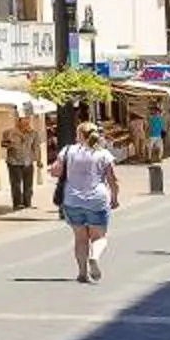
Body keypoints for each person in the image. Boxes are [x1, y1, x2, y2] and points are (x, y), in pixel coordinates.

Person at [48, 119, 120, 283]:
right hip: (97, 199)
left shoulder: (68, 151)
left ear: (79, 135)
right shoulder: (103, 154)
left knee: (80, 238)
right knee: (99, 237)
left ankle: (82, 272)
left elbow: (55, 171)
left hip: (72, 199)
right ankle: (94, 257)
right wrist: (115, 198)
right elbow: (112, 179)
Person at [2, 107, 46, 211]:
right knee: (16, 184)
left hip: (28, 161)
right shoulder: (8, 132)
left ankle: (27, 203)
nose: (27, 121)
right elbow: (4, 145)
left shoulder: (33, 133)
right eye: (25, 119)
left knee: (28, 185)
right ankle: (17, 203)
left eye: (28, 119)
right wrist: (11, 139)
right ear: (18, 120)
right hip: (13, 161)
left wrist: (39, 160)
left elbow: (36, 147)